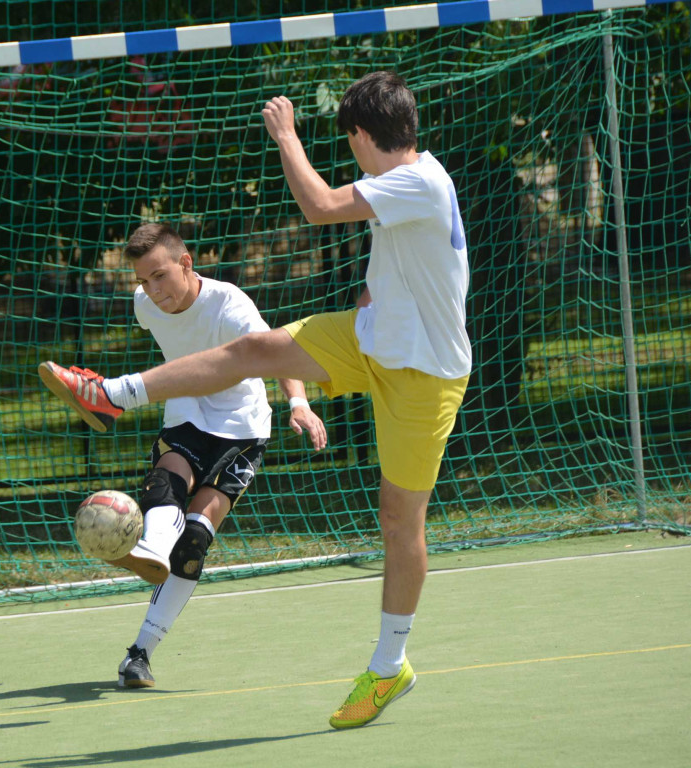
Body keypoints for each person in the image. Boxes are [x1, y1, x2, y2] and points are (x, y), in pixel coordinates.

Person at [40, 71, 471, 728]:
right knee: (252, 350)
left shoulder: (418, 181)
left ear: (360, 134)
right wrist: (373, 301)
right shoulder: (409, 186)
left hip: (424, 376)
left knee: (398, 522)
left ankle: (388, 668)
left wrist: (287, 135)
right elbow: (402, 268)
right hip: (372, 338)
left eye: (348, 140)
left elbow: (321, 206)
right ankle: (109, 394)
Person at [40, 222, 327, 689]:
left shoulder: (229, 304)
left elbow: (276, 352)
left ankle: (140, 654)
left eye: (159, 276)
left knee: (194, 541)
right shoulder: (144, 305)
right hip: (188, 414)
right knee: (165, 485)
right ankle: (152, 549)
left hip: (244, 428)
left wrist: (299, 403)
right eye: (141, 281)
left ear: (186, 263)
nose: (151, 290)